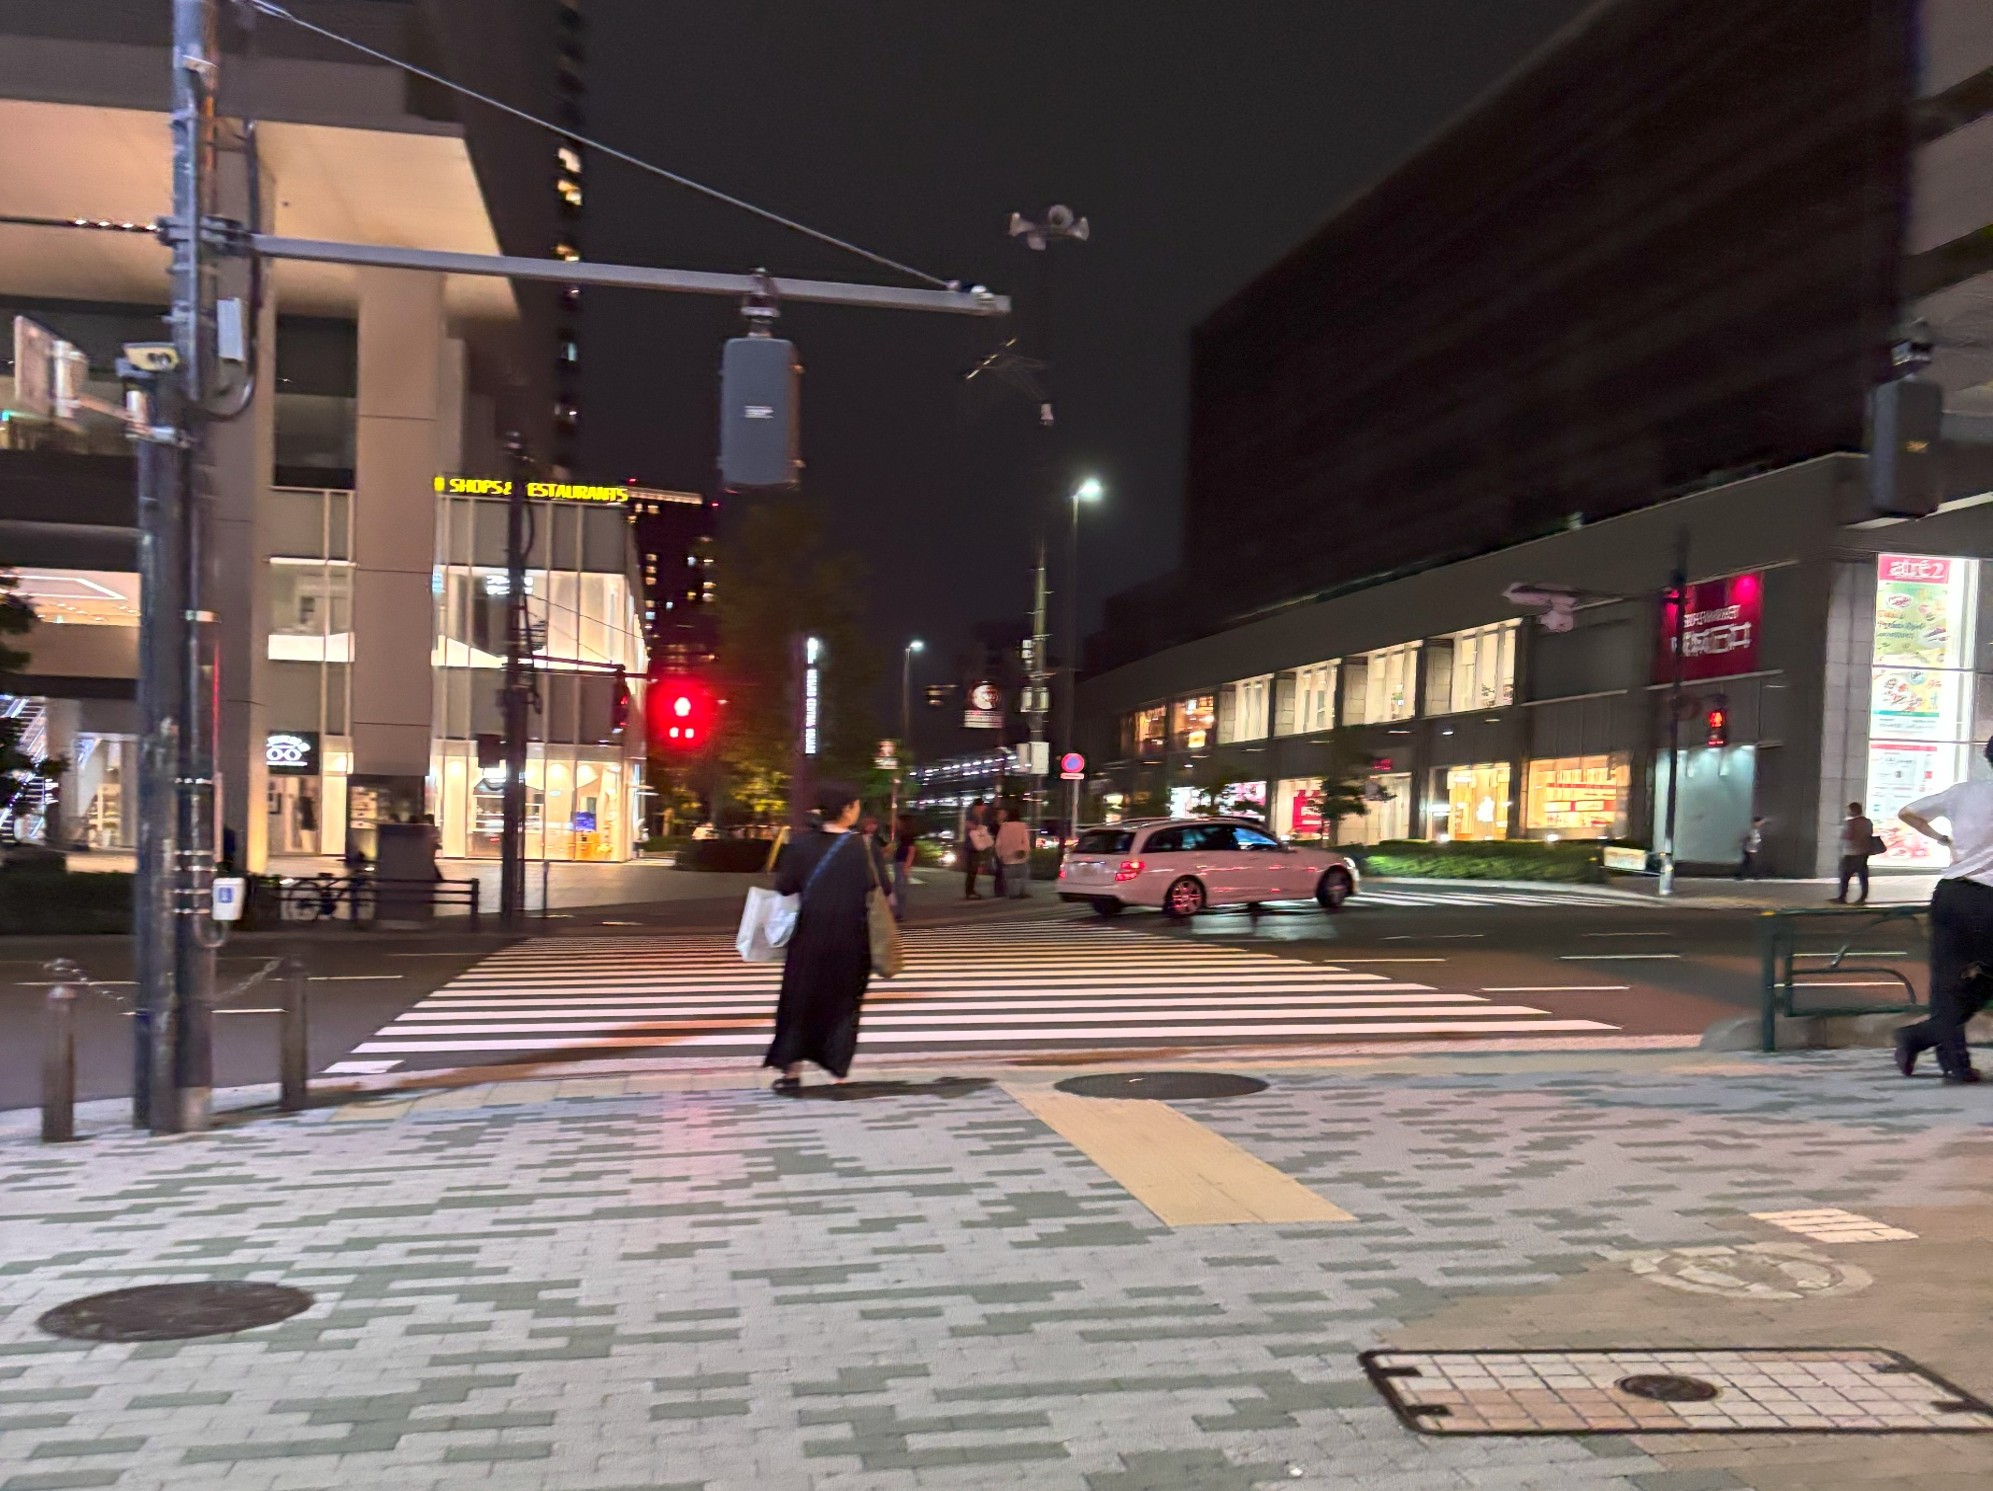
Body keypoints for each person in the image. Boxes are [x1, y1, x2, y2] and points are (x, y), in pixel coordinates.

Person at [764, 782, 885, 1092]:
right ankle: (837, 1074)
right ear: (846, 809)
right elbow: (879, 888)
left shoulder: (800, 845)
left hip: (808, 937)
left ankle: (791, 1073)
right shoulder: (863, 848)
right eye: (856, 805)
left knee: (799, 1002)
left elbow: (785, 887)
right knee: (843, 1006)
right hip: (851, 939)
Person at [1894, 745, 1993, 1084]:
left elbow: (1908, 812)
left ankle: (1953, 1064)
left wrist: (1942, 839)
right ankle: (1918, 1037)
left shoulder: (1962, 793)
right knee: (1985, 979)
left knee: (1947, 984)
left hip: (1953, 894)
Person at [1832, 801, 1875, 904]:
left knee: (1844, 876)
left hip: (1851, 853)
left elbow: (1848, 836)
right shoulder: (1868, 822)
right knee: (1863, 877)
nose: (1847, 812)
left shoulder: (1850, 823)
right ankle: (1863, 897)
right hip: (1863, 853)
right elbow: (1869, 834)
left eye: (1848, 810)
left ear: (1852, 811)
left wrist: (1841, 831)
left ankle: (1842, 897)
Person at [995, 804, 1032, 898]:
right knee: (1022, 875)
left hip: (1007, 857)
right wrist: (1026, 852)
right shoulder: (1022, 826)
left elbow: (998, 843)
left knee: (1009, 878)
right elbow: (1026, 841)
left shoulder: (1004, 826)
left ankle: (1012, 893)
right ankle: (1022, 892)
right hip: (1020, 856)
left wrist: (1000, 855)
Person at [961, 798, 993, 899]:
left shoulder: (977, 815)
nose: (984, 808)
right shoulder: (972, 814)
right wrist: (977, 828)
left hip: (974, 845)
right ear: (978, 806)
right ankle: (969, 891)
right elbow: (967, 824)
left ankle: (971, 890)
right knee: (972, 869)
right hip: (971, 845)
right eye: (983, 806)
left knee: (973, 869)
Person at [891, 814, 919, 922]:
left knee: (901, 889)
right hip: (899, 862)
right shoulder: (902, 834)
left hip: (902, 863)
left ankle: (900, 913)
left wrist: (907, 865)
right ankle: (898, 912)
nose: (897, 823)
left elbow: (912, 850)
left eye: (899, 821)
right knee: (898, 888)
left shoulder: (908, 835)